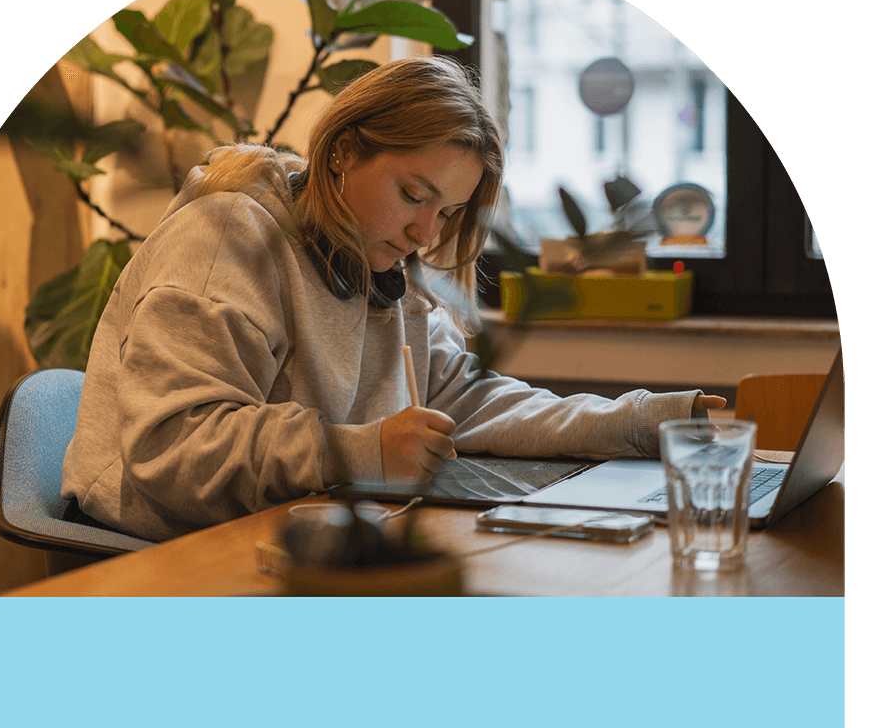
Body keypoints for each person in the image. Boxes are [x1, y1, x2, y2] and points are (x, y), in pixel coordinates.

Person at [61, 56, 726, 542]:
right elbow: (173, 451)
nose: (424, 233)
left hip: (287, 537)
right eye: (414, 194)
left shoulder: (375, 261)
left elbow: (462, 398)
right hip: (164, 554)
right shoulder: (227, 240)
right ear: (344, 152)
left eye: (449, 212)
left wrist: (646, 424)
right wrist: (358, 452)